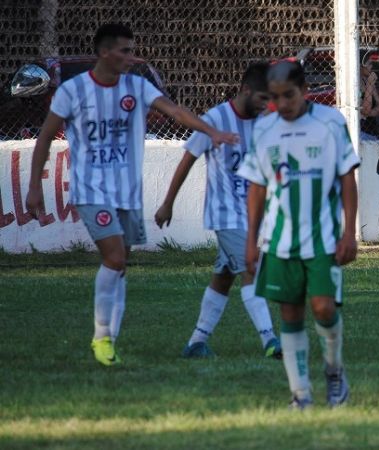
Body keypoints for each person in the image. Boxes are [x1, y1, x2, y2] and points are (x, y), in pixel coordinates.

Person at [25, 23, 239, 367]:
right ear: (105, 52)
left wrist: (211, 130)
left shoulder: (136, 87)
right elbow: (46, 137)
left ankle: (112, 341)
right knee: (114, 258)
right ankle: (102, 339)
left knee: (121, 264)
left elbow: (175, 112)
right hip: (92, 191)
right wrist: (35, 186)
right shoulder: (73, 90)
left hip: (128, 193)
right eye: (125, 50)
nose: (131, 56)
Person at [237, 60, 359, 409]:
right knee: (290, 315)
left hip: (322, 237)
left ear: (305, 90)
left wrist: (349, 232)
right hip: (279, 240)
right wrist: (251, 242)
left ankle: (334, 374)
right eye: (275, 98)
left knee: (322, 308)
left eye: (289, 96)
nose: (283, 104)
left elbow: (347, 177)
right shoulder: (264, 128)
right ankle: (300, 395)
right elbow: (257, 188)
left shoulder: (330, 122)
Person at [154, 63, 281, 360]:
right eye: (263, 98)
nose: (266, 105)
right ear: (246, 91)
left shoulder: (263, 122)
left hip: (250, 215)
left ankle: (196, 342)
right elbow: (188, 159)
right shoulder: (215, 118)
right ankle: (270, 341)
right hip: (225, 214)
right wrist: (168, 202)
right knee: (253, 268)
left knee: (224, 277)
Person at [360, 62, 379, 141]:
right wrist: (369, 84)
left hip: (371, 130)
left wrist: (367, 113)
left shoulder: (366, 79)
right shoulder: (353, 83)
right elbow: (366, 110)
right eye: (369, 64)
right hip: (360, 130)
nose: (371, 67)